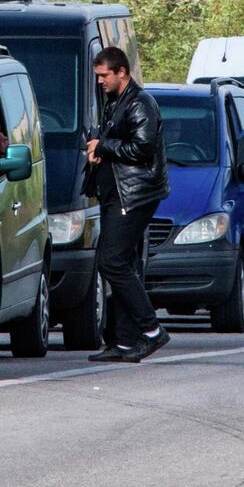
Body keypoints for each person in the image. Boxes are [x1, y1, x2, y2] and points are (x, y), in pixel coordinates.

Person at [85, 46, 169, 364]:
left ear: (122, 72)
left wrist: (104, 145)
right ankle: (123, 341)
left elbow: (143, 148)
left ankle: (151, 331)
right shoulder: (115, 101)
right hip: (115, 193)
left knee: (112, 262)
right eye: (97, 76)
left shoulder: (141, 103)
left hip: (133, 194)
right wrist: (98, 141)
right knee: (124, 264)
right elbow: (115, 138)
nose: (100, 82)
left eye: (104, 76)